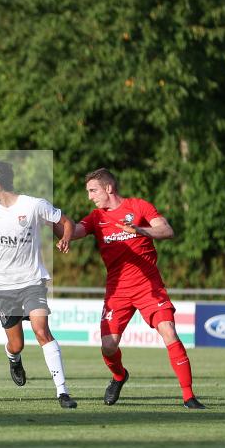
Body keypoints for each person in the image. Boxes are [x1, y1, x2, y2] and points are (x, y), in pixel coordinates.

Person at [71, 168, 205, 409]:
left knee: (169, 332)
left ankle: (189, 397)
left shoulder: (139, 207)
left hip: (148, 286)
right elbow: (70, 232)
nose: (90, 196)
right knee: (108, 345)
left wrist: (140, 230)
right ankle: (120, 376)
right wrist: (46, 218)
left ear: (109, 188)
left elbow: (166, 230)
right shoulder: (95, 218)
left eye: (93, 191)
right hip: (117, 292)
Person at [0, 160, 78, 409]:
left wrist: (67, 239)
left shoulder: (33, 205)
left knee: (41, 330)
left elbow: (66, 223)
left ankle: (62, 392)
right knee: (16, 343)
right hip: (4, 286)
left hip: (32, 281)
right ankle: (13, 358)